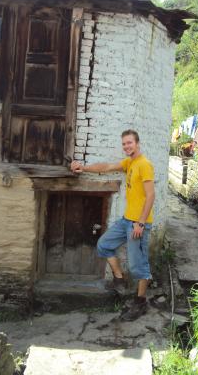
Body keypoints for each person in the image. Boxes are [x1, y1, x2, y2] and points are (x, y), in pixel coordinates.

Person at [70, 129, 155, 321]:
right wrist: (82, 168)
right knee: (104, 244)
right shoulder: (129, 162)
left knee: (138, 266)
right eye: (124, 143)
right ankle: (119, 278)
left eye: (129, 143)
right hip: (126, 220)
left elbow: (151, 195)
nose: (126, 146)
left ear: (137, 143)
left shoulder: (144, 165)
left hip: (138, 223)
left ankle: (141, 302)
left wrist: (140, 223)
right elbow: (106, 166)